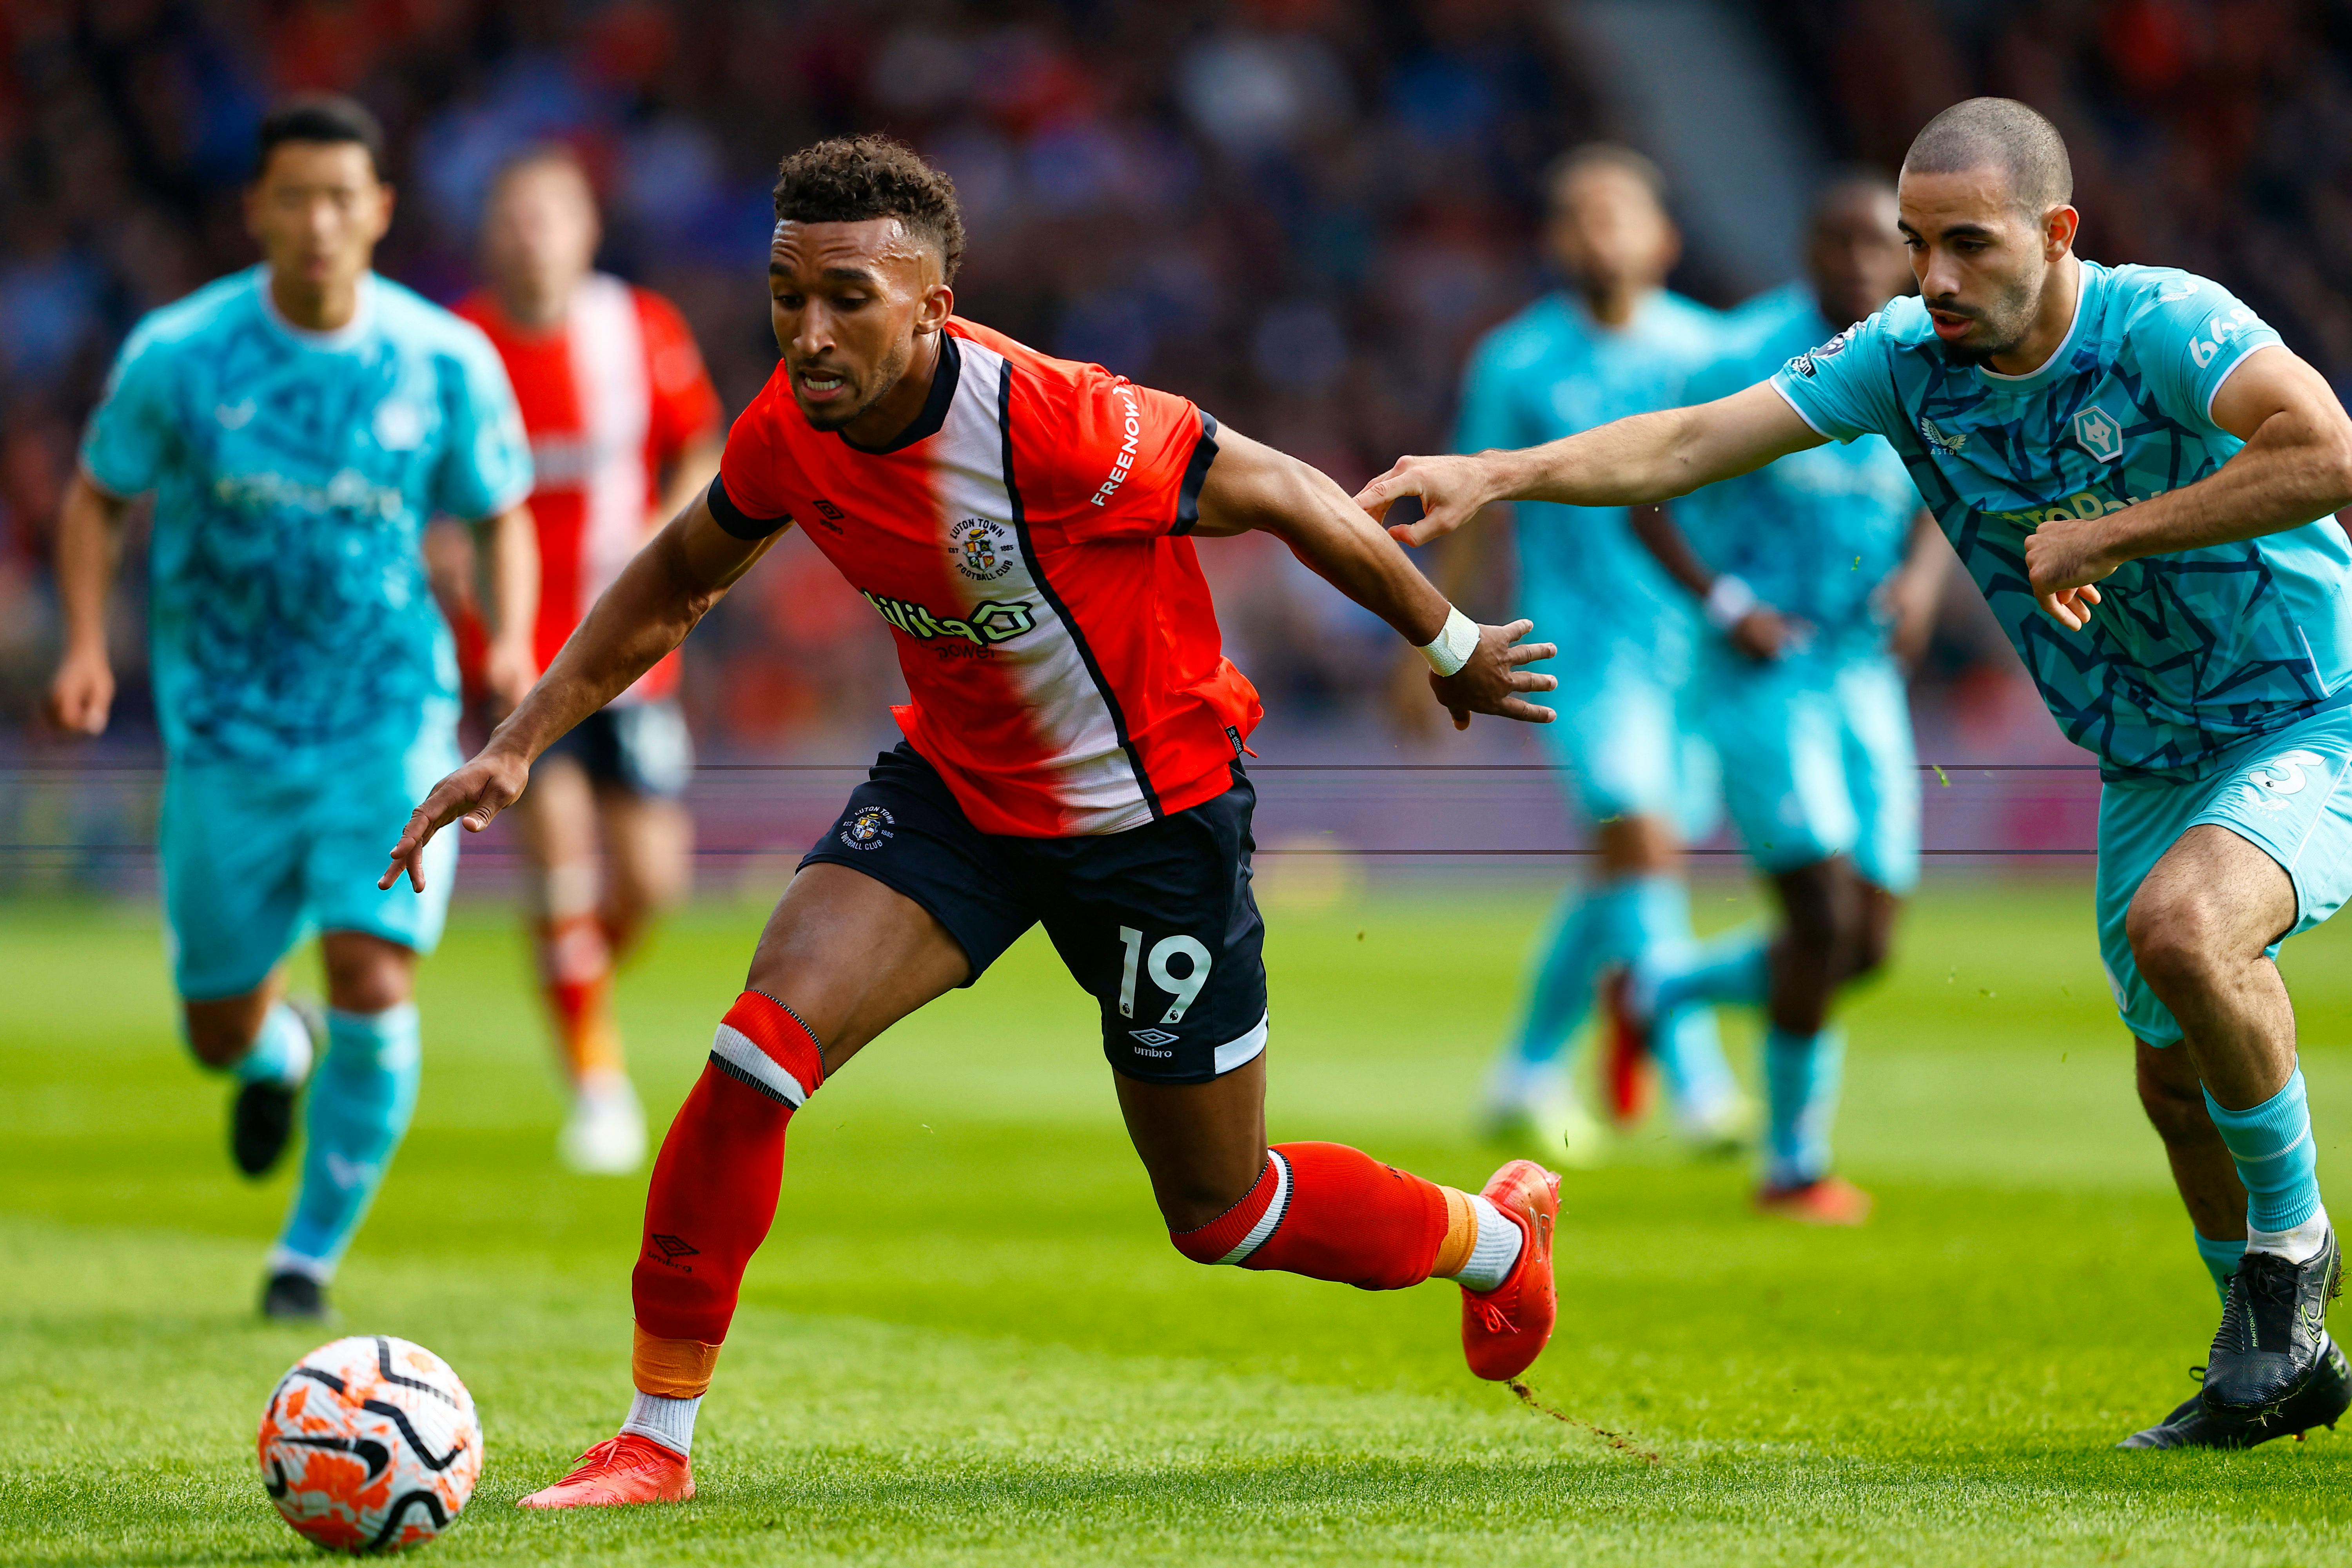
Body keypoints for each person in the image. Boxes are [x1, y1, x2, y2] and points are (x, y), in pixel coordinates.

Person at [381, 135, 1565, 1507]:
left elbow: (1286, 492)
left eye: (847, 299)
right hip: (956, 799)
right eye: (785, 296)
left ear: (934, 305)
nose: (808, 335)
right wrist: (520, 744)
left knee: (1223, 1212)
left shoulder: (1057, 422)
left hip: (1153, 821)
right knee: (756, 1049)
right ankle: (654, 1440)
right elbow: (676, 577)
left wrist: (1452, 640)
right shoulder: (788, 428)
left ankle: (1492, 1240)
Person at [1360, 97, 2352, 1450]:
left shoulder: (2166, 324)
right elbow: (1692, 441)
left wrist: (2112, 532)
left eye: (1969, 245)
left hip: (2311, 713)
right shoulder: (1903, 358)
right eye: (1915, 243)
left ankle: (2292, 1264)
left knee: (2185, 929)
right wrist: (1499, 472)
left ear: (2060, 235)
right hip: (2146, 754)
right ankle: (2269, 1375)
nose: (1933, 276)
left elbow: (2327, 451)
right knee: (2175, 1083)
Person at [44, 96, 537, 1320]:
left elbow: (499, 510)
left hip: (387, 726)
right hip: (223, 740)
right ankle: (278, 1051)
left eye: (341, 197)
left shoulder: (443, 360)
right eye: (294, 197)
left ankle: (305, 1260)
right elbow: (100, 496)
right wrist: (87, 642)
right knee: (216, 1026)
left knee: (375, 974)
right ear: (255, 210)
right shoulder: (179, 354)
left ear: (378, 212)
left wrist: (515, 641)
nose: (318, 221)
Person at [1615, 176, 1951, 1225]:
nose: (1854, 260)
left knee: (1870, 946)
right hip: (1763, 677)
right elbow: (1648, 488)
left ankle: (1661, 991)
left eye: (1874, 242)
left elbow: (1955, 478)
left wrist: (1922, 583)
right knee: (1819, 915)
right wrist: (1725, 604)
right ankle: (1793, 1165)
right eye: (1834, 238)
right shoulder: (1742, 354)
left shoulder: (1927, 353)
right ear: (1806, 248)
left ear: (1906, 256)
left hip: (1861, 676)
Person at [1443, 145, 1746, 1164]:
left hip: (1697, 656)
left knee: (1628, 869)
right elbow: (1475, 507)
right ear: (1552, 241)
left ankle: (1525, 1068)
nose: (1597, 235)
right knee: (1641, 843)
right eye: (1577, 217)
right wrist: (1432, 634)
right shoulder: (1516, 361)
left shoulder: (1716, 349)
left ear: (1664, 236)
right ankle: (1699, 1082)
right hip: (1575, 647)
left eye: (1616, 214)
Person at [454, 145, 725, 1174]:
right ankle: (597, 1082)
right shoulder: (464, 345)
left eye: (550, 216)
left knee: (653, 884)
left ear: (585, 229)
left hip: (633, 651)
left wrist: (672, 528)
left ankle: (571, 981)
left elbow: (699, 441)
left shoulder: (640, 329)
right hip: (517, 655)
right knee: (556, 836)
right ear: (493, 234)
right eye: (514, 217)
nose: (533, 235)